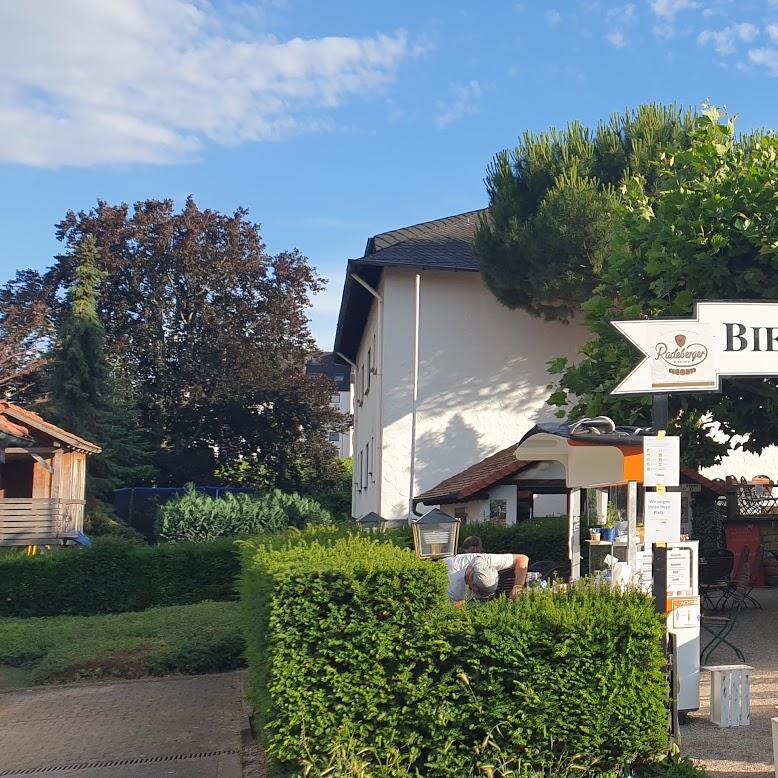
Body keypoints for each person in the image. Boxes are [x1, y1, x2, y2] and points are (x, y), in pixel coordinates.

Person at [444, 551, 529, 603]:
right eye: (480, 593)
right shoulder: (452, 588)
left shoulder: (485, 561)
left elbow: (522, 558)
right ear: (471, 581)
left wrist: (518, 586)